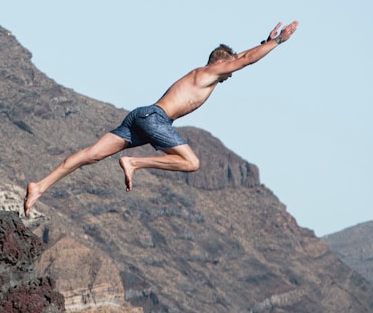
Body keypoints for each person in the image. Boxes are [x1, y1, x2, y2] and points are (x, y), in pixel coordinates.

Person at [23, 19, 298, 216]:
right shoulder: (207, 72)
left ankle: (39, 186)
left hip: (141, 117)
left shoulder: (205, 77)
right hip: (155, 118)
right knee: (191, 163)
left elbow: (246, 57)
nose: (231, 75)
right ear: (221, 63)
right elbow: (247, 59)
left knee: (91, 154)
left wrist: (263, 41)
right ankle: (133, 163)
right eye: (229, 66)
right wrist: (277, 42)